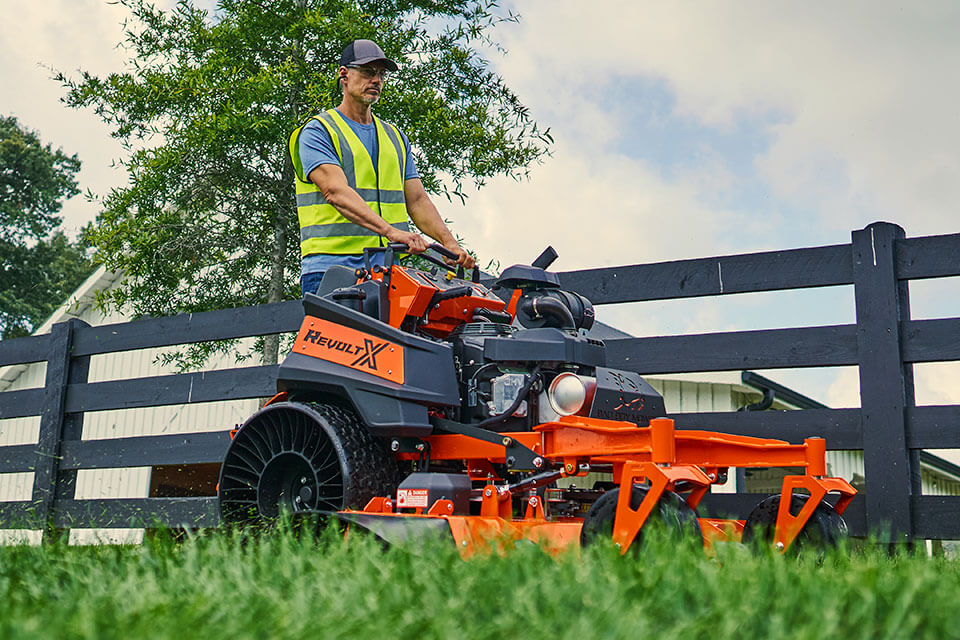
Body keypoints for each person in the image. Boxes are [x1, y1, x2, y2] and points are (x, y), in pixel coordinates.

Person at [289, 39, 476, 296]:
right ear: (344, 74)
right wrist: (391, 232)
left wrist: (449, 243)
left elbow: (418, 200)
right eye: (368, 72)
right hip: (331, 272)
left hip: (388, 273)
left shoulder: (395, 137)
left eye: (381, 74)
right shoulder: (319, 131)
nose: (376, 80)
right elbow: (335, 192)